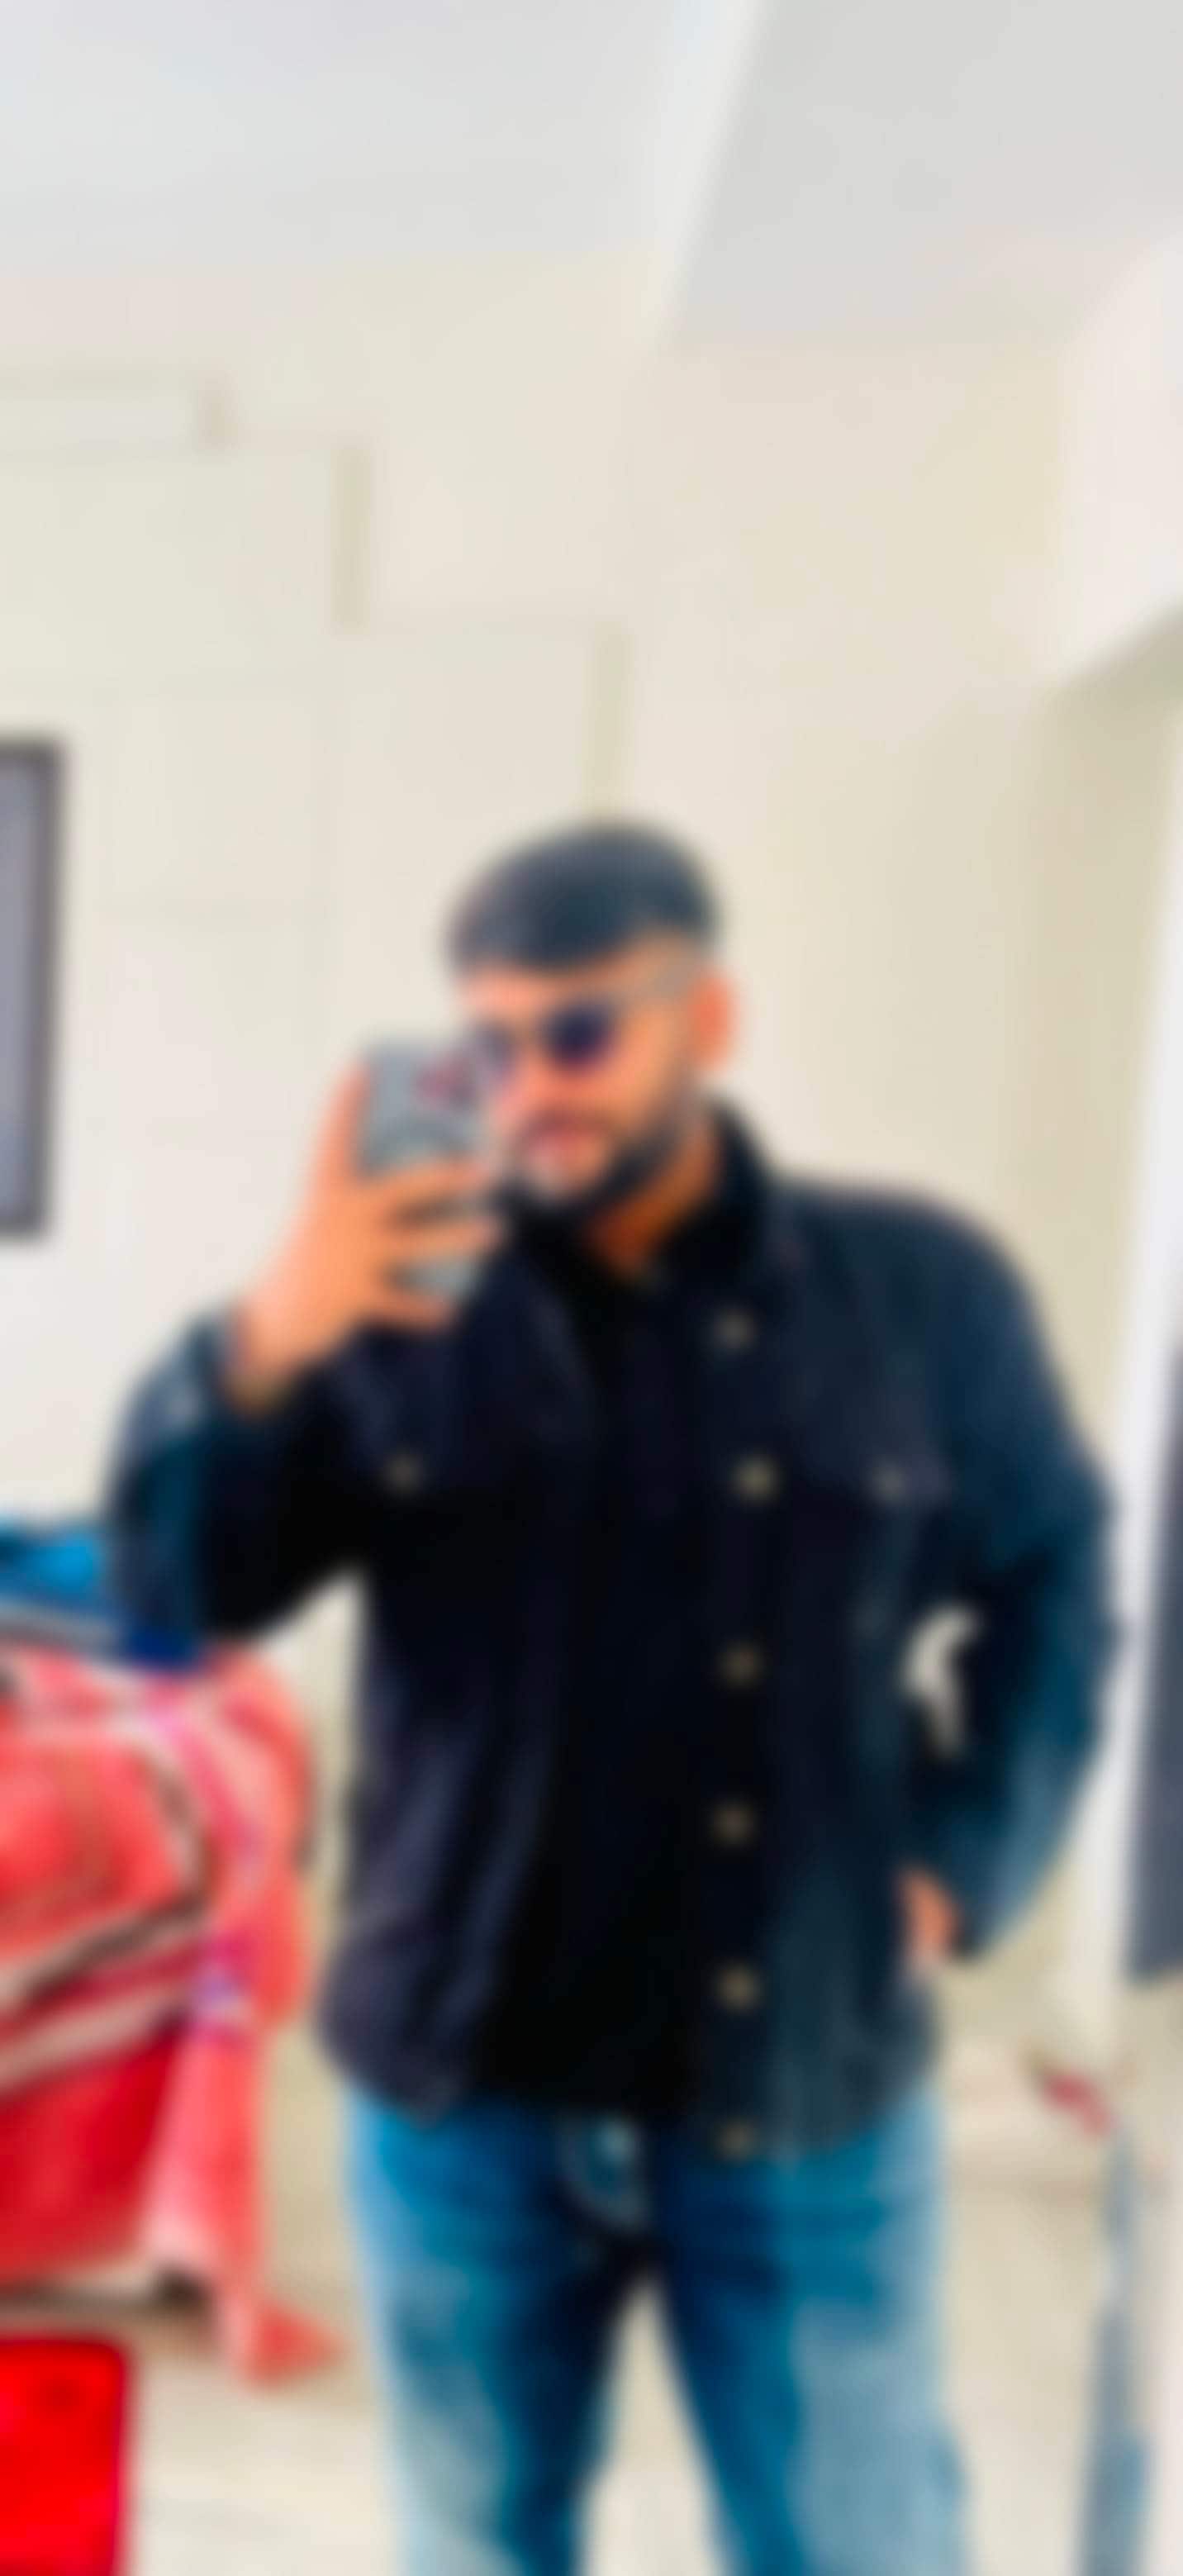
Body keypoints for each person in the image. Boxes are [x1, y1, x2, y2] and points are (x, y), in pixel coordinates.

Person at [107, 821, 1113, 2576]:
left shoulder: (917, 1291)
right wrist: (267, 1335)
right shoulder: (384, 1294)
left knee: (856, 2545)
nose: (528, 1091)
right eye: (485, 1045)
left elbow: (1056, 1587)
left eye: (577, 1033)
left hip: (796, 2079)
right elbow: (174, 1590)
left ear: (705, 1016)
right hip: (463, 2093)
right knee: (476, 2544)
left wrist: (958, 1867)